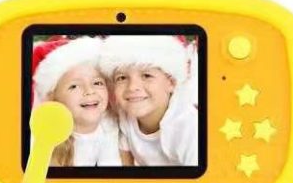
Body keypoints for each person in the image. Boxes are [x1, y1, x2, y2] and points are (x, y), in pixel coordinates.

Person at [99, 36, 198, 167]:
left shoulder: (189, 129)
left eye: (147, 75)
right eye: (122, 78)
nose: (132, 87)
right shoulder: (125, 115)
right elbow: (125, 161)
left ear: (171, 83)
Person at [32, 36, 130, 167]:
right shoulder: (43, 138)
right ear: (52, 98)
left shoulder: (108, 125)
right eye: (74, 86)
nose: (89, 91)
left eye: (97, 83)